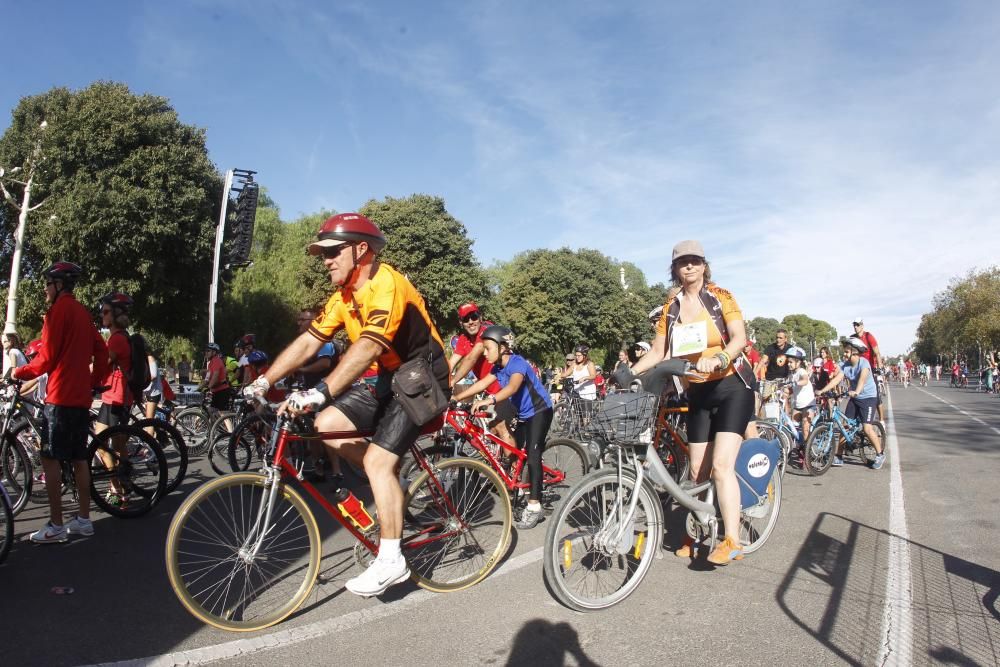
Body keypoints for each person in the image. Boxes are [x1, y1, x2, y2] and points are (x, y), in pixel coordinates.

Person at [243, 212, 450, 597]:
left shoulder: (387, 283)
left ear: (360, 250)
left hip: (424, 376)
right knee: (327, 424)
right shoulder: (344, 296)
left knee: (376, 461)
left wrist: (320, 389)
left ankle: (392, 560)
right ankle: (392, 479)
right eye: (322, 254)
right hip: (390, 378)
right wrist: (262, 381)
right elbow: (308, 342)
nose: (326, 261)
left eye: (333, 252)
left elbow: (370, 345)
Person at [632, 240, 756, 566]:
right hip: (698, 393)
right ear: (674, 269)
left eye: (694, 261)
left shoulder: (720, 296)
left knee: (720, 467)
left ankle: (731, 539)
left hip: (732, 387)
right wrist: (627, 373)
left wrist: (721, 356)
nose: (688, 267)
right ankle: (698, 531)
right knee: (698, 472)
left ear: (704, 265)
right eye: (682, 262)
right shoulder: (671, 306)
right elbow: (659, 352)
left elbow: (740, 338)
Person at [13, 262, 109, 542]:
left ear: (58, 285)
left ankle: (55, 525)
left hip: (60, 396)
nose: (44, 289)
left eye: (47, 284)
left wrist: (18, 372)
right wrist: (93, 381)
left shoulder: (57, 312)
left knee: (50, 457)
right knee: (80, 458)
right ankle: (83, 520)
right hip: (80, 397)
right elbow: (101, 352)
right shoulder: (81, 312)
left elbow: (46, 359)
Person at [453, 326, 553, 529]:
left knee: (532, 455)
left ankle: (534, 506)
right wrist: (456, 397)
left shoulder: (518, 363)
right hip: (524, 413)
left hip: (540, 411)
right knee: (517, 451)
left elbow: (512, 387)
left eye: (488, 348)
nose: (485, 353)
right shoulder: (497, 367)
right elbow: (480, 384)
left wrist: (489, 400)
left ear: (503, 347)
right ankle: (520, 488)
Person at [449, 301, 517, 449]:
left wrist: (453, 381)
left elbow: (471, 358)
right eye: (466, 319)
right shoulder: (463, 339)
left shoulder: (486, 332)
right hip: (490, 389)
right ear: (461, 323)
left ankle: (512, 471)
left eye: (473, 316)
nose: (471, 322)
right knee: (491, 432)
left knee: (500, 427)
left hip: (506, 387)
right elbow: (451, 363)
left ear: (480, 317)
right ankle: (500, 466)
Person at [816, 336, 885, 469]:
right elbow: (837, 379)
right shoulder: (845, 365)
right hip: (855, 397)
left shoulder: (863, 363)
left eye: (847, 351)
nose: (844, 354)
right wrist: (822, 390)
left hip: (868, 397)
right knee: (845, 425)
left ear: (854, 352)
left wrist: (857, 391)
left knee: (867, 428)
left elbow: (862, 379)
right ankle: (839, 456)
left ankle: (880, 454)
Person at [295, 307, 341, 484]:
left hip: (324, 392)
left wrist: (302, 369)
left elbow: (324, 363)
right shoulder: (307, 342)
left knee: (325, 432)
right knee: (311, 432)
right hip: (310, 392)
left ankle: (337, 472)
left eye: (302, 320)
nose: (298, 323)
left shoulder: (324, 341)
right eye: (298, 319)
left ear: (313, 322)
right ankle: (318, 469)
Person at [851, 318, 885, 420]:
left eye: (857, 325)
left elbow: (877, 352)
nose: (856, 327)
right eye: (854, 325)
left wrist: (879, 367)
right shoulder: (853, 338)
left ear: (862, 326)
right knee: (856, 396)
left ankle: (882, 421)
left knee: (876, 398)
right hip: (857, 370)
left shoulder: (868, 336)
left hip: (869, 370)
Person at [784, 346, 816, 447]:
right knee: (794, 429)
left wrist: (796, 383)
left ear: (798, 362)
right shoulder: (791, 374)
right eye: (788, 362)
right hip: (797, 405)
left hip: (808, 404)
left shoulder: (801, 371)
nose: (788, 364)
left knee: (805, 429)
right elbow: (790, 390)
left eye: (791, 362)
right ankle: (800, 448)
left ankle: (807, 454)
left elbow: (805, 380)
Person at [199, 342, 233, 411]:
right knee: (212, 412)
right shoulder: (210, 363)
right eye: (205, 351)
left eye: (208, 351)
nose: (206, 353)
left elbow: (215, 377)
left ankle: (227, 422)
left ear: (214, 352)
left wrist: (208, 388)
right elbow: (207, 379)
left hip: (222, 391)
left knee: (222, 415)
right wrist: (199, 388)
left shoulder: (216, 361)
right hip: (216, 391)